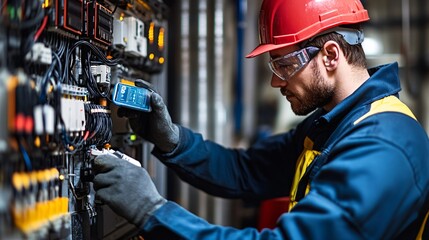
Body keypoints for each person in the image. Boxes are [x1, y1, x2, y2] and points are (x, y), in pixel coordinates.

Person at [92, 0, 429, 239]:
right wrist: (173, 140)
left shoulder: (382, 148)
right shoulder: (333, 125)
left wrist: (153, 212)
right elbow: (247, 171)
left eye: (283, 65)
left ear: (330, 55)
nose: (276, 82)